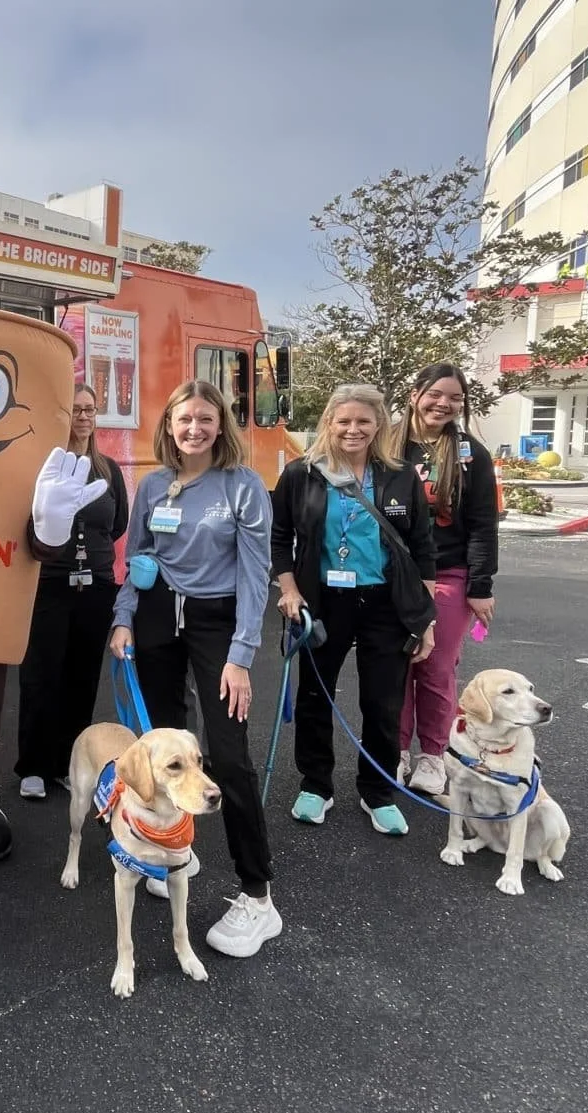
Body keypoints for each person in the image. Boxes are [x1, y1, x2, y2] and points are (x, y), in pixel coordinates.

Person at [107, 381, 280, 958]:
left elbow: (257, 574)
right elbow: (138, 559)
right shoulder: (154, 484)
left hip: (215, 626)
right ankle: (166, 850)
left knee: (227, 754)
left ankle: (258, 897)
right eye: (185, 420)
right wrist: (124, 617)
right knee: (161, 752)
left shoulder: (243, 485)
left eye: (206, 419)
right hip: (156, 622)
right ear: (170, 425)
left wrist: (241, 655)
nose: (194, 429)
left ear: (220, 425)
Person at [271, 383, 437, 837]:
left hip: (386, 602)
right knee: (314, 696)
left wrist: (426, 619)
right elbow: (279, 537)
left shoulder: (400, 474)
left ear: (379, 425)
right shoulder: (301, 473)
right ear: (328, 422)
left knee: (383, 702)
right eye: (343, 420)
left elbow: (422, 546)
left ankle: (378, 790)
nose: (353, 429)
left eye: (364, 421)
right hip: (322, 601)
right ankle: (315, 785)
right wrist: (288, 588)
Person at [391, 363, 499, 796]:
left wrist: (481, 586)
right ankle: (393, 750)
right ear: (415, 392)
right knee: (394, 667)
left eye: (455, 398)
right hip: (392, 576)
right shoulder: (386, 443)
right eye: (437, 394)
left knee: (436, 667)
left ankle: (433, 755)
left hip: (450, 574)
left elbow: (482, 524)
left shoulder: (472, 454)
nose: (445, 404)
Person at [16, 383, 129, 799]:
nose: (83, 417)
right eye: (75, 410)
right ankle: (32, 764)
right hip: (49, 584)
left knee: (82, 678)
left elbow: (117, 525)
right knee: (41, 675)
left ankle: (68, 762)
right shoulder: (44, 468)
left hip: (96, 586)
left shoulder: (109, 470)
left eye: (89, 409)